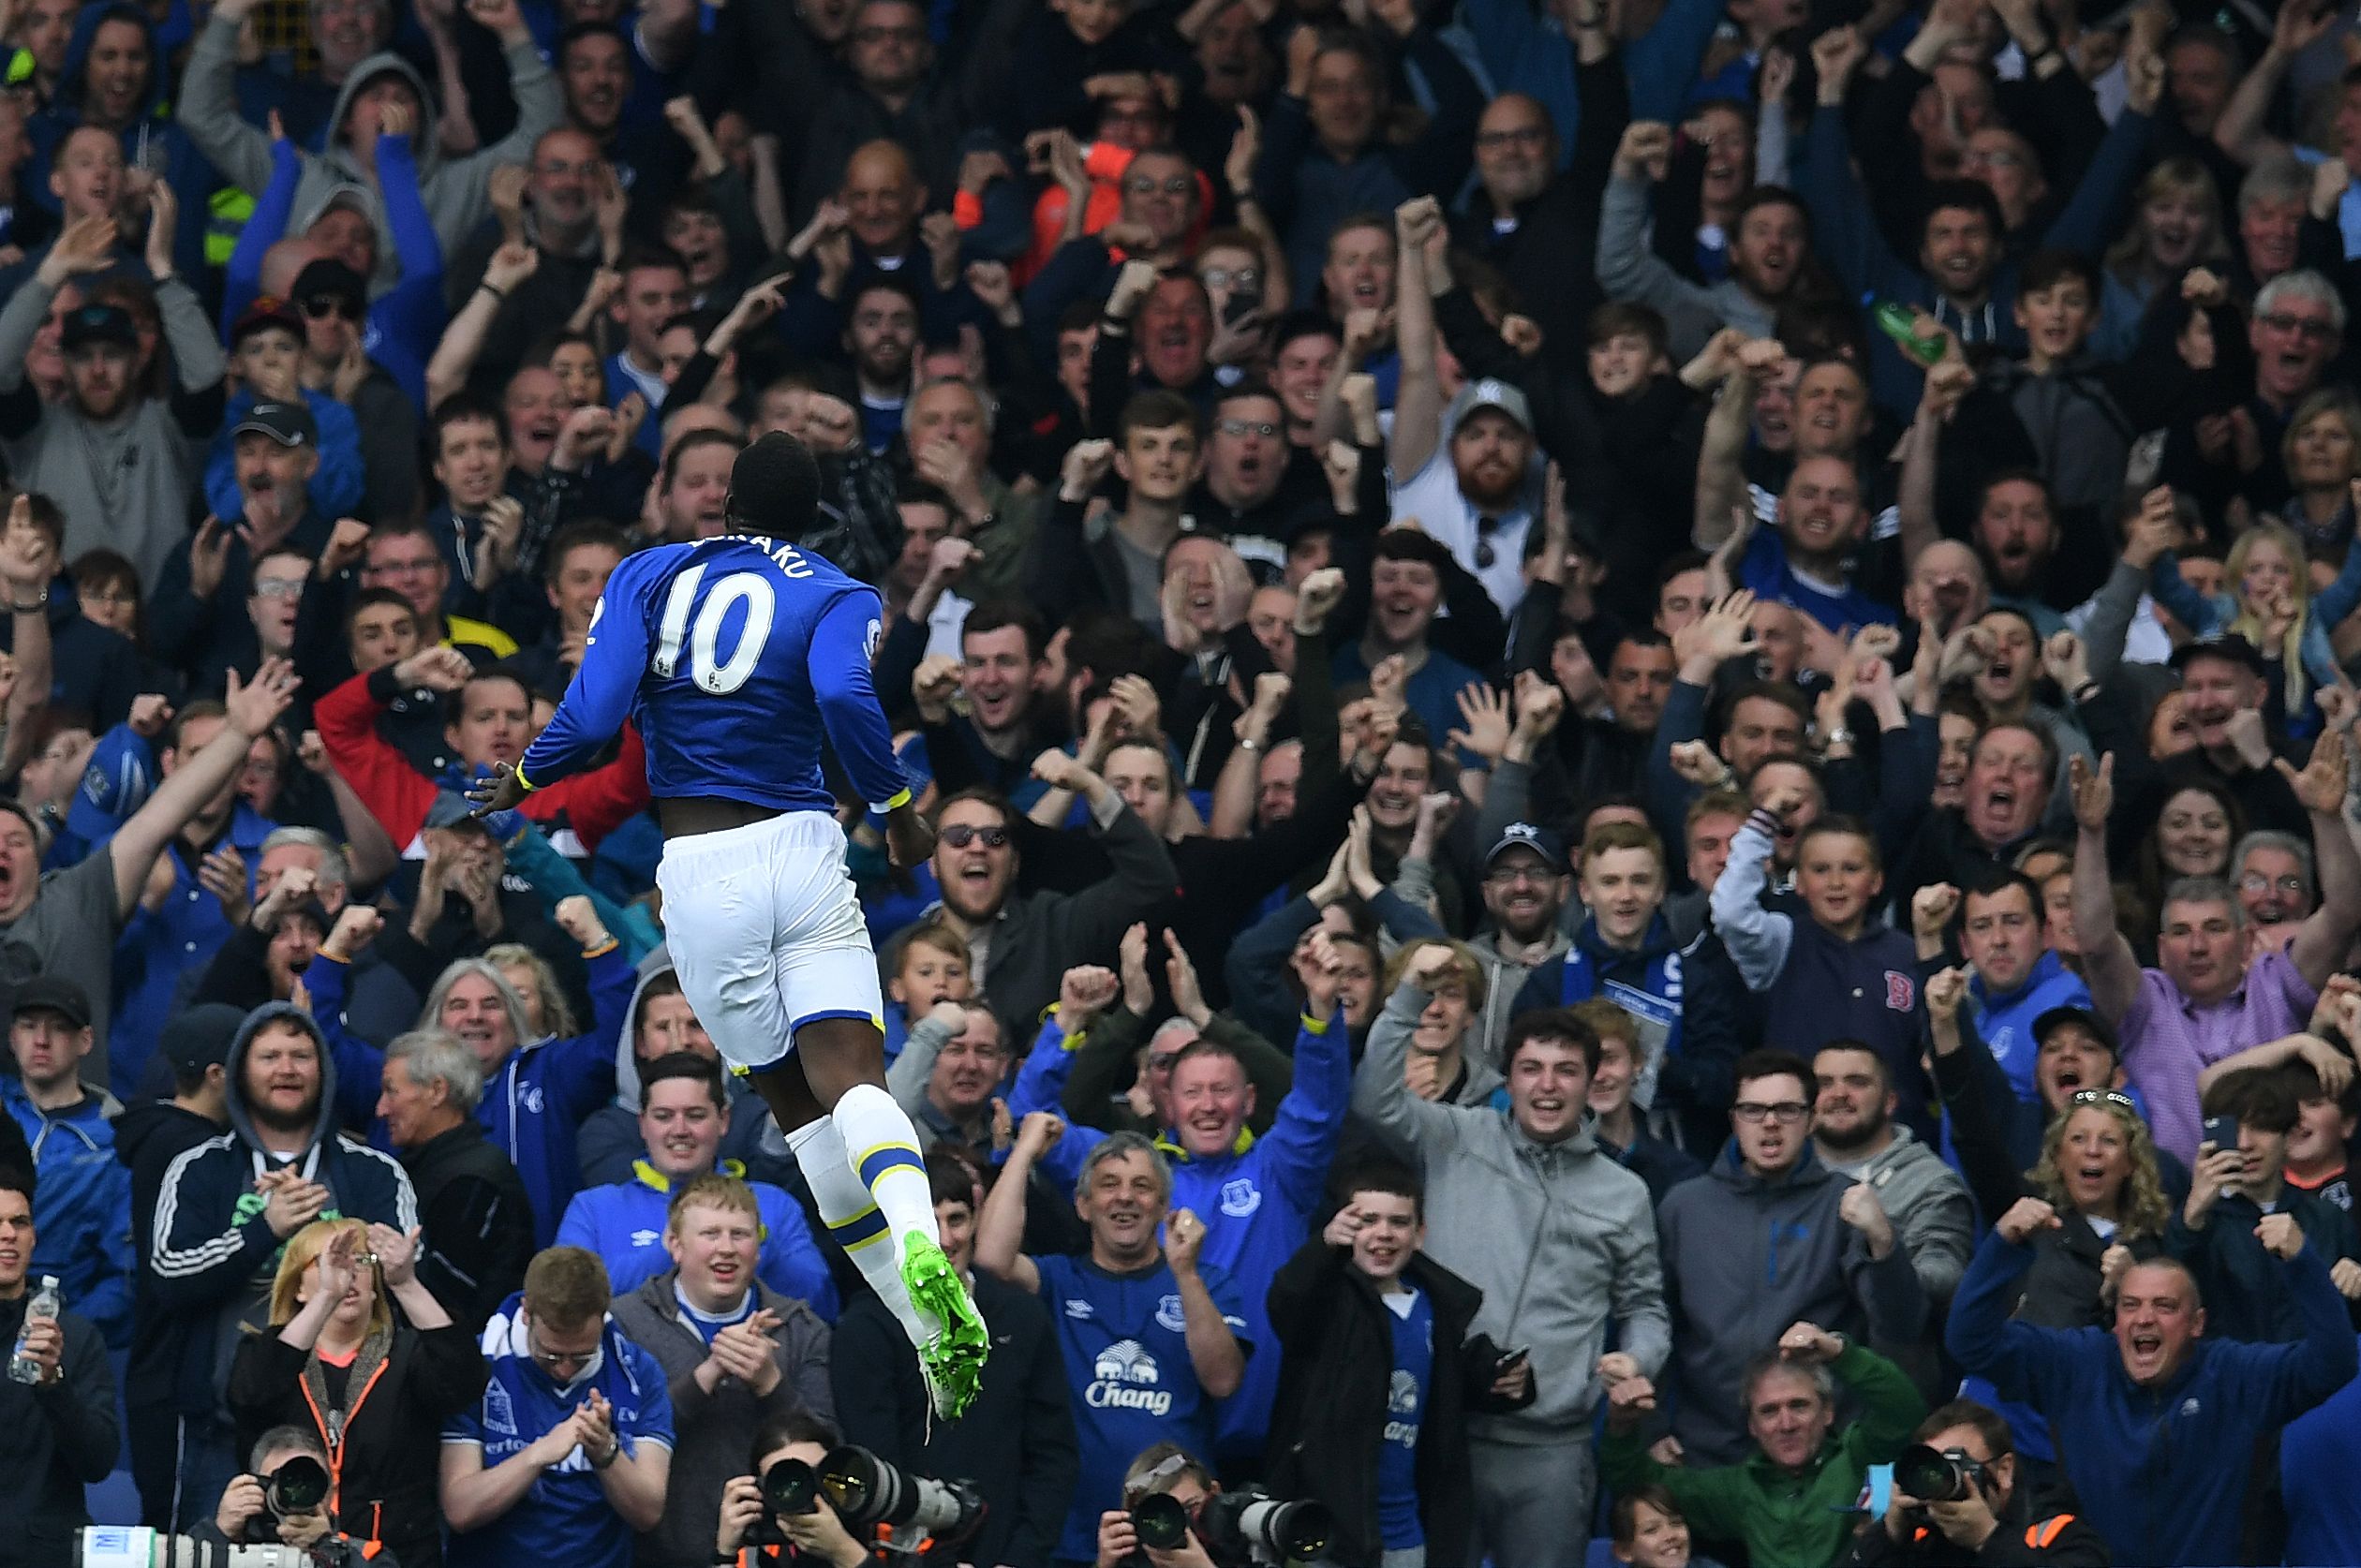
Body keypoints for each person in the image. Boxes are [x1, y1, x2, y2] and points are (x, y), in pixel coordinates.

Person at [469, 431, 987, 1416]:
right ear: (815, 517)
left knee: (797, 1110)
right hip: (801, 844)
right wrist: (897, 809)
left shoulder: (649, 574)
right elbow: (842, 691)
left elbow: (594, 713)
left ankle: (926, 1328)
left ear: (725, 505)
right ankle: (927, 1256)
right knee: (855, 1076)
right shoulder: (839, 592)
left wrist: (525, 776)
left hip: (701, 872)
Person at [1351, 988, 1668, 1568]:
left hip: (1554, 1451)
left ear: (1590, 1082)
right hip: (1445, 1432)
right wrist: (1410, 996)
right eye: (1532, 1069)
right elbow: (1374, 1099)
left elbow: (1646, 1307)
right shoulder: (1457, 1137)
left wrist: (1637, 1361)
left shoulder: (1625, 1195)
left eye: (1566, 1071)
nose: (1548, 1085)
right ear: (1510, 1079)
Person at [1947, 1196, 2358, 1566]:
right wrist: (2003, 1243)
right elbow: (1969, 1340)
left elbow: (2335, 1362)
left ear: (2197, 1323)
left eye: (2164, 1306)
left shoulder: (2237, 1376)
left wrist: (2303, 1262)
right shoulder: (2075, 1366)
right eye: (2131, 1306)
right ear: (2116, 1321)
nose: (2144, 1318)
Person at [148, 1000, 417, 1530]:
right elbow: (170, 1275)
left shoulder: (374, 1171)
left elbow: (407, 1268)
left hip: (348, 1431)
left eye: (301, 1055)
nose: (287, 1068)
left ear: (325, 1070)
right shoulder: (200, 1168)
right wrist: (262, 1230)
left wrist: (325, 1232)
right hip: (221, 1429)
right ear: (239, 1073)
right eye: (269, 1056)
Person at [973, 1124, 1248, 1564]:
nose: (1125, 1197)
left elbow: (1223, 1380)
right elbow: (991, 1259)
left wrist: (1186, 1274)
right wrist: (1024, 1150)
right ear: (1083, 1205)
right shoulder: (1060, 1281)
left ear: (1163, 1208)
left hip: (1178, 1535)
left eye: (1142, 1187)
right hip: (1073, 1532)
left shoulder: (1207, 1283)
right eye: (1108, 1185)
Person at [1656, 1049, 1928, 1463]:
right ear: (1733, 1120)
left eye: (1787, 1110)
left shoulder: (1844, 1203)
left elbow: (1901, 1326)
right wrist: (1653, 1427)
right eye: (1753, 1110)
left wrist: (1883, 1242)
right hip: (1708, 1451)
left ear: (1811, 1119)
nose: (1769, 1123)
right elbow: (1656, 1322)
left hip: (1820, 1456)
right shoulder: (1684, 1207)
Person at [1265, 1161, 1537, 1568]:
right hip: (1324, 1533)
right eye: (1366, 1220)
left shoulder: (1436, 1309)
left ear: (1420, 1234)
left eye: (1399, 1222)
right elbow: (1287, 1305)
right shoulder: (1327, 1300)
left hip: (1407, 1533)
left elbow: (1448, 1395)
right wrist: (1322, 1250)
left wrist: (1506, 1382)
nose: (1384, 1234)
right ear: (1342, 1227)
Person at [830, 1150, 1077, 1568]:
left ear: (976, 1217)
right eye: (928, 1224)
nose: (945, 1239)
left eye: (956, 1219)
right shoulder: (865, 1328)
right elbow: (877, 1464)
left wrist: (1019, 1558)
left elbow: (1053, 1455)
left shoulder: (1022, 1317)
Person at [226, 1218, 488, 1568]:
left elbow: (463, 1381)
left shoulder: (410, 1355)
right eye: (328, 1261)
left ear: (375, 1282)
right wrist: (325, 1300)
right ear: (299, 1288)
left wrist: (407, 1284)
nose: (347, 1273)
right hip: (290, 1555)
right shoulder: (267, 1356)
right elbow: (250, 1396)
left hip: (395, 1556)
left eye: (360, 1261)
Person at [608, 1173, 836, 1568]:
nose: (726, 1249)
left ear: (759, 1249)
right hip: (659, 1555)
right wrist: (705, 1378)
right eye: (710, 1234)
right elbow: (616, 1448)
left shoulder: (801, 1327)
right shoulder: (626, 1324)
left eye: (740, 1235)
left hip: (780, 1555)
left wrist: (771, 1385)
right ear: (674, 1245)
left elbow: (832, 1451)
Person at [1599, 1322, 1926, 1568]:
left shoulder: (1857, 1457)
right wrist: (1621, 1423)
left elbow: (1905, 1410)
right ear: (1752, 1427)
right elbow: (1634, 1481)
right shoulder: (1738, 1490)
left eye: (1798, 1405)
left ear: (1827, 1412)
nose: (1786, 1424)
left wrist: (1841, 1353)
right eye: (1769, 1411)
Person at [440, 1246, 675, 1568]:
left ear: (603, 1317)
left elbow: (648, 1513)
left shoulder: (638, 1372)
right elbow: (459, 1510)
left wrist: (606, 1453)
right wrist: (538, 1455)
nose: (565, 1369)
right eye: (551, 1354)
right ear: (526, 1312)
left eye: (581, 1357)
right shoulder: (477, 1366)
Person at [557, 1050, 835, 1314]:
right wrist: (672, 1248)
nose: (679, 1131)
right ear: (642, 1124)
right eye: (664, 1116)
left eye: (695, 1116)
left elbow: (823, 1305)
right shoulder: (593, 1208)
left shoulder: (773, 1205)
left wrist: (759, 1246)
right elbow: (565, 1302)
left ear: (723, 1120)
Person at [0, 974, 132, 1348]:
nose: (41, 1040)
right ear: (12, 1038)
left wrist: (65, 1330)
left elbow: (121, 1275)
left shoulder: (114, 1140)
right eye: (28, 1027)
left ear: (85, 1041)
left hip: (65, 1326)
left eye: (58, 1029)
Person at [375, 1028, 537, 1332]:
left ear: (437, 1091)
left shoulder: (473, 1180)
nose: (381, 1109)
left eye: (391, 1091)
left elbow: (451, 1301)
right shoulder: (424, 1168)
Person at [0, 1165, 118, 1568]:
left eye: (20, 1222)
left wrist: (54, 1385)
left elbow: (98, 1462)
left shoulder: (74, 1338)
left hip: (43, 1553)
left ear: (34, 1238)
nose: (8, 1234)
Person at [1838, 1398, 2109, 1565]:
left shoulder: (2056, 1534)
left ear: (2003, 1471)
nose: (1941, 1482)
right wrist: (1887, 1536)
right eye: (1932, 1468)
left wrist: (1988, 1539)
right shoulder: (1919, 1539)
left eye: (1955, 1465)